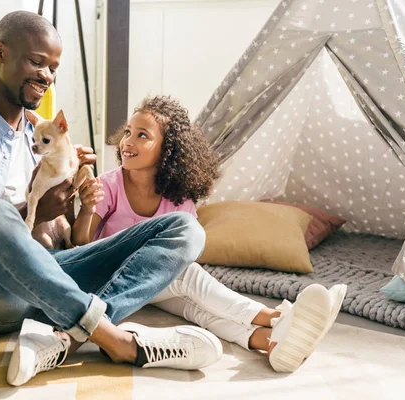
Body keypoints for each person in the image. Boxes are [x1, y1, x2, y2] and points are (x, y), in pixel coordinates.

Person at [0, 11, 224, 387]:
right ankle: (112, 338)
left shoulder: (43, 137)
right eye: (37, 62)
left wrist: (74, 205)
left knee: (185, 228)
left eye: (53, 68)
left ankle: (67, 336)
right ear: (0, 53)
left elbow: (68, 239)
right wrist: (30, 213)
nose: (47, 77)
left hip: (55, 283)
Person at [72, 95, 347, 373]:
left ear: (168, 149)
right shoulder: (108, 185)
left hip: (156, 283)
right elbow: (79, 245)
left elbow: (186, 251)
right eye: (128, 132)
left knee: (195, 308)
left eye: (142, 135)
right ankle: (279, 317)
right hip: (117, 278)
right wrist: (86, 209)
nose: (128, 142)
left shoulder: (178, 198)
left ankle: (271, 343)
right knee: (187, 277)